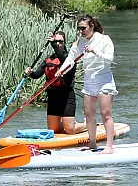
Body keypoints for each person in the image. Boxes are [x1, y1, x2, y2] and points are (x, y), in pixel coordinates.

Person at [58, 15, 116, 153]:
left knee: (105, 113)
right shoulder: (80, 43)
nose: (81, 31)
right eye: (79, 29)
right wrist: (61, 70)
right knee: (89, 114)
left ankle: (109, 147)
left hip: (104, 79)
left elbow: (110, 59)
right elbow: (70, 59)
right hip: (89, 80)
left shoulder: (104, 39)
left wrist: (95, 51)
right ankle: (92, 143)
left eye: (83, 28)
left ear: (92, 26)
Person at [24, 30, 86, 134]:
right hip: (53, 96)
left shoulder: (70, 59)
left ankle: (87, 124)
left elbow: (63, 61)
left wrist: (53, 44)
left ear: (64, 43)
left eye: (60, 41)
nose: (58, 43)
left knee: (70, 130)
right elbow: (37, 75)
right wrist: (29, 73)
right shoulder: (48, 60)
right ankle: (69, 124)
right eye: (56, 41)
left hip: (67, 96)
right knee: (53, 130)